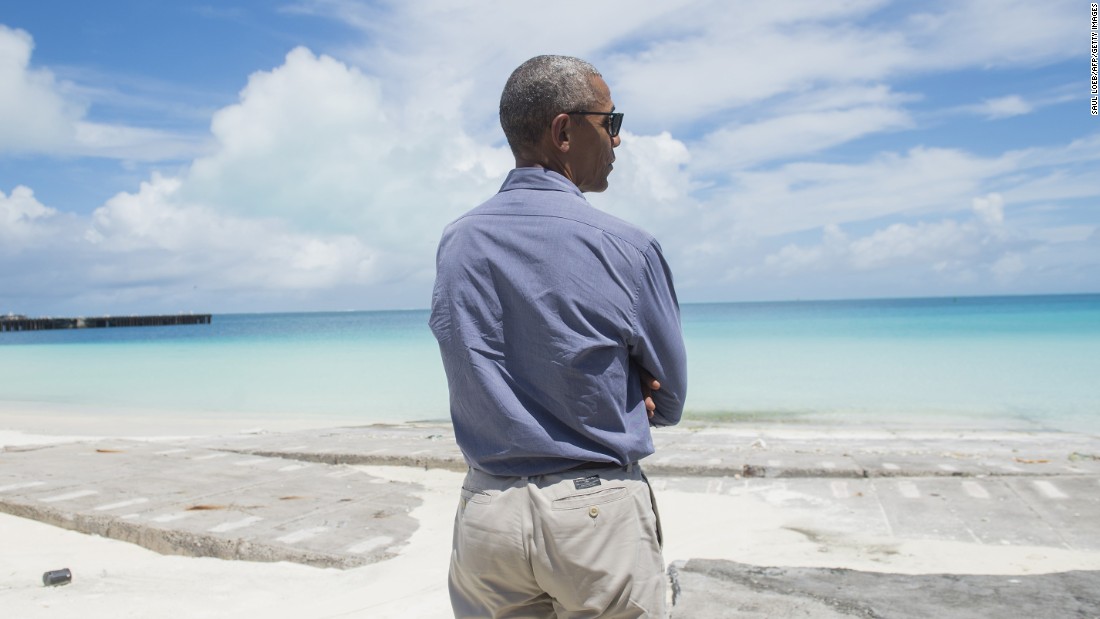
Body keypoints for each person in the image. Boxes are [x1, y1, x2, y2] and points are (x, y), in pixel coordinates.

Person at [429, 54, 687, 618]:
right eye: (610, 123)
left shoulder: (458, 242)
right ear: (564, 131)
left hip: (487, 512)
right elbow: (668, 401)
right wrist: (622, 391)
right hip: (593, 519)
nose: (619, 141)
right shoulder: (626, 248)